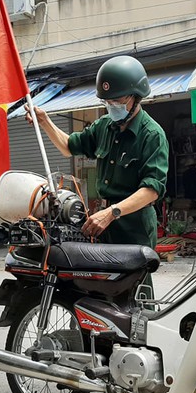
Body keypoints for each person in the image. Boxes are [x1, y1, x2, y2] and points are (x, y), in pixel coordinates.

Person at [24, 55, 168, 249]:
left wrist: (112, 212)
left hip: (134, 228)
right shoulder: (103, 126)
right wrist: (44, 121)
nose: (111, 106)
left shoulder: (152, 135)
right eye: (106, 102)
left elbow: (151, 191)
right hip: (102, 222)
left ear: (135, 96)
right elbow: (68, 147)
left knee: (133, 279)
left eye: (116, 100)